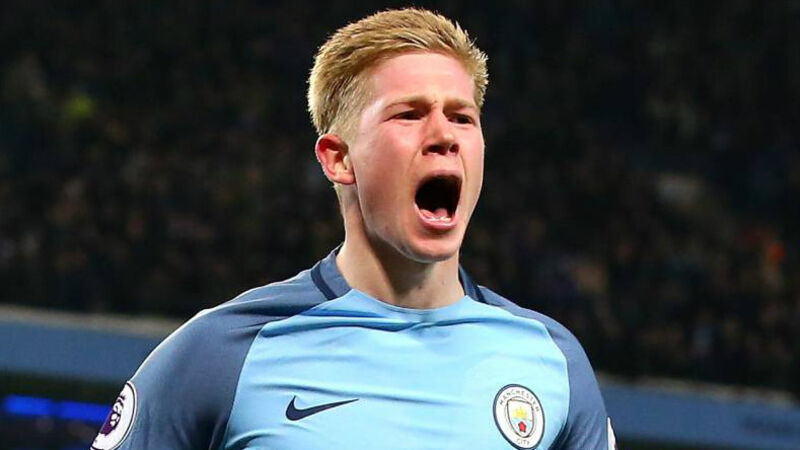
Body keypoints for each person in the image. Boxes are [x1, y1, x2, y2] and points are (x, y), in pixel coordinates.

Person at [93, 8, 615, 449]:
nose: (444, 135)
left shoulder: (552, 362)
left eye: (462, 117)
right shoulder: (222, 353)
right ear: (339, 159)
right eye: (409, 114)